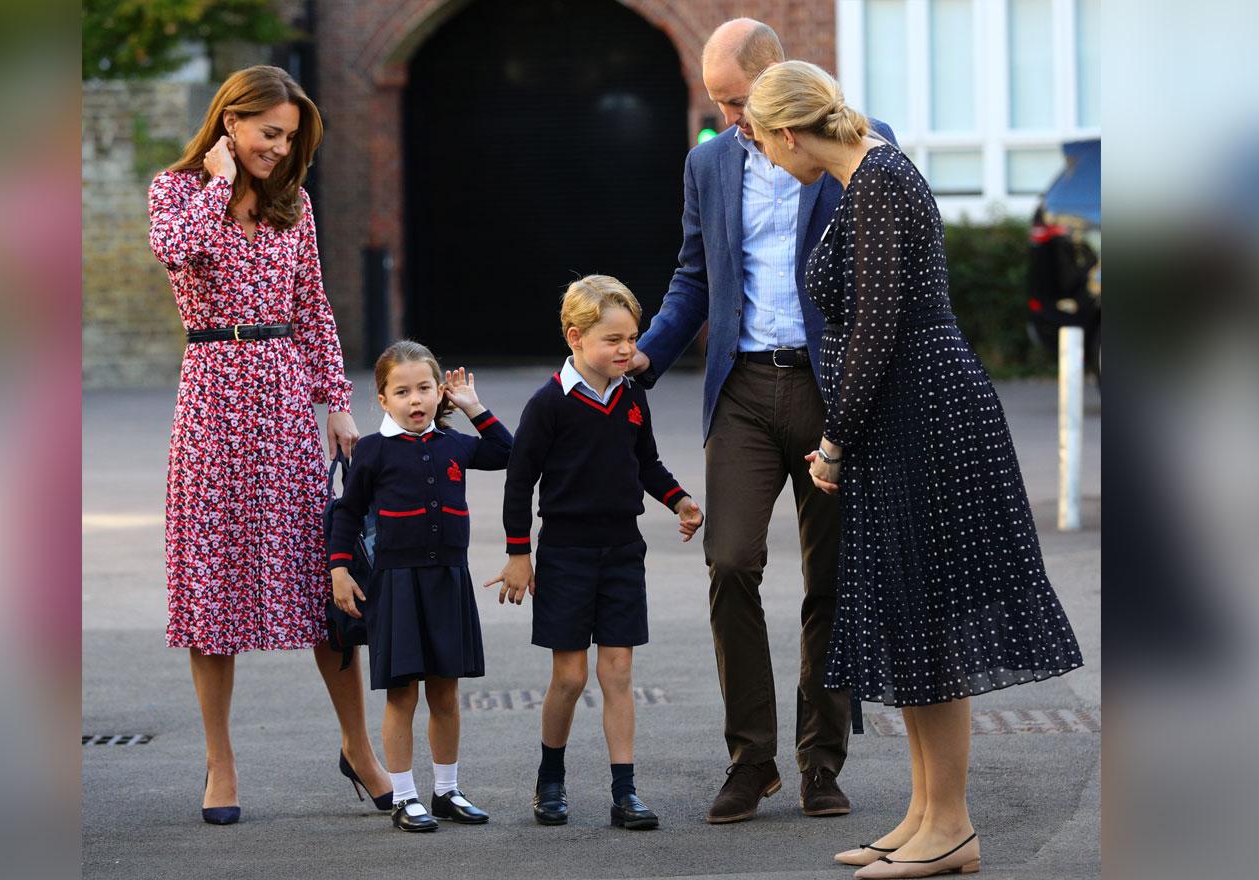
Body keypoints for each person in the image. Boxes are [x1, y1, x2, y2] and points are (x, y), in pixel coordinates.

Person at [743, 60, 1084, 877]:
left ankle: (953, 828)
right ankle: (928, 815)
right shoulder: (867, 178)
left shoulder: (881, 179)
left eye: (759, 140)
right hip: (906, 416)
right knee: (911, 616)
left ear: (789, 131)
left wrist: (831, 444)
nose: (761, 156)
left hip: (926, 415)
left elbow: (873, 330)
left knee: (929, 615)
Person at [628, 18, 896, 824]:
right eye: (717, 103)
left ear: (779, 76)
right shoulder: (708, 160)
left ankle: (822, 759)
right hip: (741, 388)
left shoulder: (861, 144)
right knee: (732, 562)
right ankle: (752, 759)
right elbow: (692, 273)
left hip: (829, 390)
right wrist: (644, 354)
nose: (730, 117)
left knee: (833, 580)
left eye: (739, 100)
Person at [149, 65, 392, 825]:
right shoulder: (179, 190)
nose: (280, 150)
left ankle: (360, 748)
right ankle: (221, 766)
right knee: (211, 593)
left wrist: (339, 408)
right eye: (268, 133)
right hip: (213, 397)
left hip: (285, 400)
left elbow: (312, 308)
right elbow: (173, 250)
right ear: (230, 122)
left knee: (328, 586)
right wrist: (218, 183)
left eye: (290, 139)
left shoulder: (297, 205)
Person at [488, 276, 704, 831]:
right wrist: (519, 554)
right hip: (565, 552)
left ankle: (625, 791)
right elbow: (519, 480)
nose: (627, 349)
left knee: (618, 671)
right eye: (614, 339)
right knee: (569, 678)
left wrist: (678, 499)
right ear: (576, 337)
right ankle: (551, 779)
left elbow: (646, 462)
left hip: (623, 552)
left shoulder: (633, 397)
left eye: (631, 337)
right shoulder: (548, 404)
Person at [327, 341, 513, 832]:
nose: (416, 400)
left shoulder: (455, 444)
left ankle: (447, 790)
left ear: (439, 393)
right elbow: (346, 513)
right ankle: (404, 796)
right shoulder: (372, 450)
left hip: (449, 580)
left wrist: (474, 407)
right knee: (401, 695)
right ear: (383, 399)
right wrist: (339, 569)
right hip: (396, 586)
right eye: (402, 391)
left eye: (425, 389)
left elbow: (508, 452)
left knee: (446, 694)